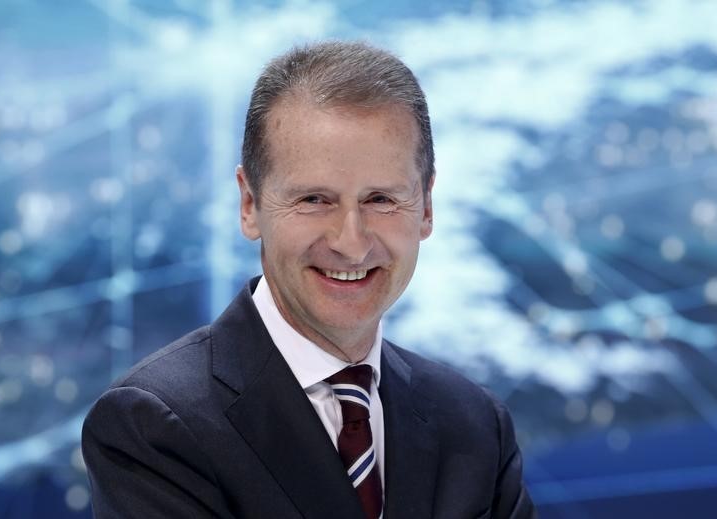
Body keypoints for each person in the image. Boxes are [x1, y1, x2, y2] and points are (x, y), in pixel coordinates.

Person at [82, 40, 536, 519]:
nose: (351, 242)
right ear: (250, 205)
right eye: (315, 200)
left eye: (381, 199)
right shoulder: (153, 425)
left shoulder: (475, 424)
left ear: (426, 206)